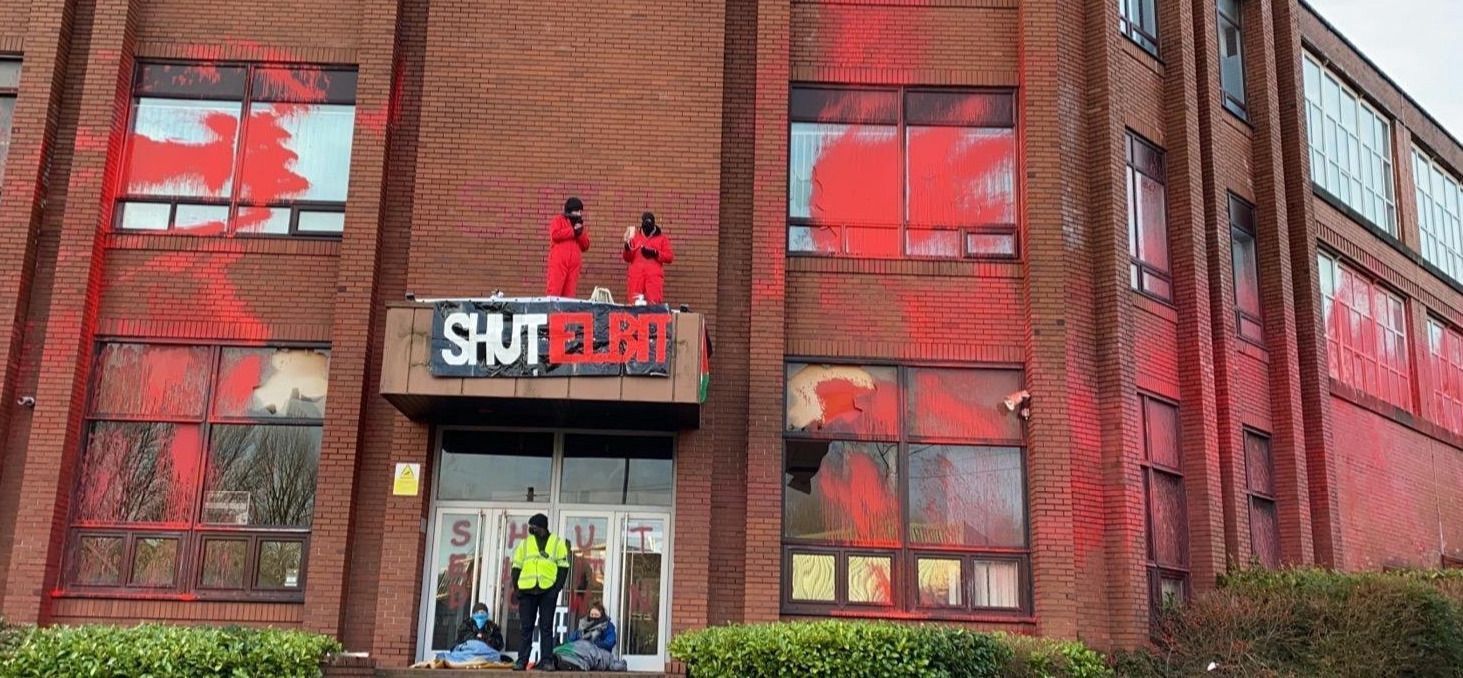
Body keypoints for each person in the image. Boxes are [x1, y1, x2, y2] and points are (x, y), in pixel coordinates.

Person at [511, 513, 571, 671]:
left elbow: (563, 567)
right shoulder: (525, 543)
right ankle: (522, 661)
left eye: (533, 526)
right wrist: (517, 589)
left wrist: (556, 589)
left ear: (542, 527)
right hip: (527, 591)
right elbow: (516, 566)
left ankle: (546, 661)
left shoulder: (556, 542)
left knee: (546, 627)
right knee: (526, 628)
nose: (531, 529)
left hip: (547, 591)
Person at [408, 602, 505, 669]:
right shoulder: (467, 624)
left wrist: (483, 638)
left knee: (496, 655)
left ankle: (474, 659)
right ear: (473, 615)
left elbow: (499, 644)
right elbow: (464, 638)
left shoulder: (492, 627)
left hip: (486, 652)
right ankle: (474, 659)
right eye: (477, 613)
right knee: (468, 650)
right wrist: (478, 638)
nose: (480, 615)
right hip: (469, 649)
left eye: (483, 613)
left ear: (487, 615)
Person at [551, 602, 626, 672]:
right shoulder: (584, 626)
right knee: (570, 649)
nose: (593, 617)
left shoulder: (607, 626)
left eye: (596, 615)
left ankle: (564, 661)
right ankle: (558, 658)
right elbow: (572, 639)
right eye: (592, 615)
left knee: (585, 654)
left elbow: (610, 642)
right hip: (581, 647)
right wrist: (565, 644)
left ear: (602, 615)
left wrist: (594, 643)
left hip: (598, 652)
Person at [621, 212, 674, 304]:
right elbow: (627, 258)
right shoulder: (634, 238)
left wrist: (655, 253)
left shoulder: (662, 239)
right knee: (634, 305)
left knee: (654, 306)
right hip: (636, 278)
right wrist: (627, 249)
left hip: (653, 279)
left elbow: (669, 257)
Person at [547, 197, 591, 297]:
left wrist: (580, 233)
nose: (579, 213)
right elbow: (555, 235)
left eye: (580, 211)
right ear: (571, 210)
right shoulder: (558, 220)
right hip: (559, 261)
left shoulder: (579, 225)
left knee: (569, 294)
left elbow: (585, 245)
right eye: (577, 211)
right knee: (554, 290)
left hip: (574, 264)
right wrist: (572, 231)